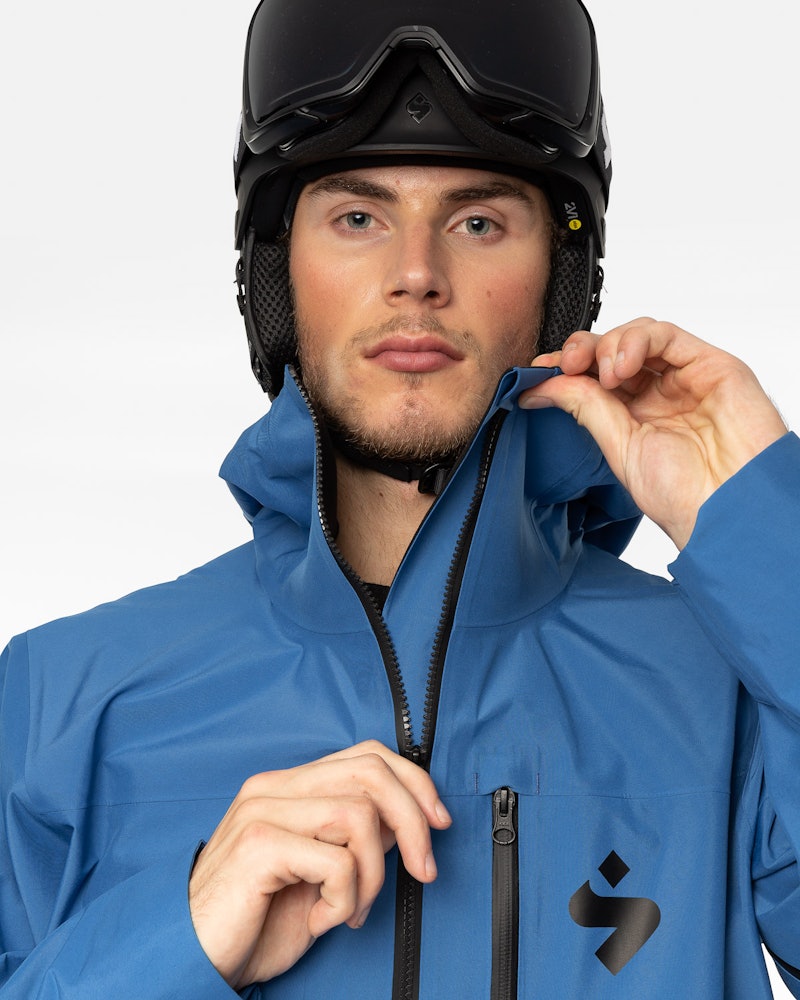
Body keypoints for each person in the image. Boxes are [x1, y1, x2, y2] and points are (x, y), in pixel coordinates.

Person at [1, 0, 798, 997]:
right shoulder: (56, 705)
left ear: (561, 281)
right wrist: (176, 938)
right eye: (358, 217)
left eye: (477, 221)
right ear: (276, 272)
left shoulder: (736, 689)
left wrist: (768, 524)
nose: (416, 274)